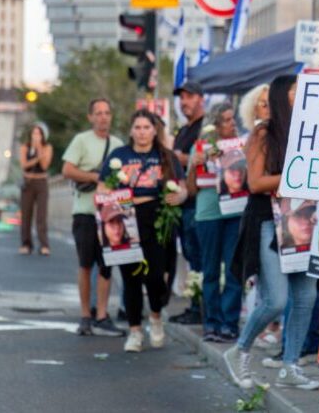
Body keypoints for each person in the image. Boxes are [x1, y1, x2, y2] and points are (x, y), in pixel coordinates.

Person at [225, 74, 319, 391]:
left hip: (303, 220)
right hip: (267, 222)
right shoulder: (263, 133)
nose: (300, 95)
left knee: (305, 297)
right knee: (276, 300)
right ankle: (239, 350)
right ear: (282, 96)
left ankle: (290, 365)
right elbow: (255, 182)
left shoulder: (309, 131)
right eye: (295, 91)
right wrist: (299, 175)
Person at [98, 108, 186, 353]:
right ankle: (135, 331)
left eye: (146, 127)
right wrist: (122, 200)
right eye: (137, 127)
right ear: (130, 130)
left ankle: (156, 317)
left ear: (154, 130)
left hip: (157, 222)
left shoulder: (166, 157)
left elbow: (182, 189)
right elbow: (102, 190)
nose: (142, 132)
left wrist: (179, 197)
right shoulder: (119, 156)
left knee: (156, 277)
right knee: (131, 279)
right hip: (125, 221)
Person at [62, 98, 124, 337]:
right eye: (98, 113)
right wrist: (93, 177)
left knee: (107, 265)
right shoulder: (81, 140)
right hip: (85, 212)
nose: (103, 117)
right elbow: (67, 169)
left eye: (107, 113)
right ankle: (85, 315)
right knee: (86, 265)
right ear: (90, 117)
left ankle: (102, 316)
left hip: (110, 214)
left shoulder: (118, 144)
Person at [187, 101, 244, 343]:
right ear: (215, 125)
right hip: (209, 214)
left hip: (235, 213)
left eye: (233, 119)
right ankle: (211, 322)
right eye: (228, 120)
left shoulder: (241, 145)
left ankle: (229, 323)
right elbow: (190, 190)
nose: (233, 123)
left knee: (233, 270)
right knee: (210, 270)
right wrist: (195, 163)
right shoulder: (199, 147)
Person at [169, 80, 205, 325]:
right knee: (191, 255)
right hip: (182, 202)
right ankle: (194, 303)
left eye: (189, 97)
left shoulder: (205, 128)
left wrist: (183, 157)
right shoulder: (183, 130)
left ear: (201, 99)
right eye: (181, 98)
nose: (184, 102)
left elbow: (202, 157)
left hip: (199, 203)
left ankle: (201, 306)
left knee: (200, 257)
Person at [19, 122, 53, 256]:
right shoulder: (25, 147)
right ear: (30, 135)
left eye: (39, 133)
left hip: (41, 182)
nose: (36, 136)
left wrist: (39, 150)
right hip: (28, 182)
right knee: (26, 214)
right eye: (34, 133)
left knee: (41, 215)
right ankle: (26, 244)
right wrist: (36, 158)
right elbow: (24, 165)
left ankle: (44, 244)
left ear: (43, 136)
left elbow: (44, 166)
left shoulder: (47, 147)